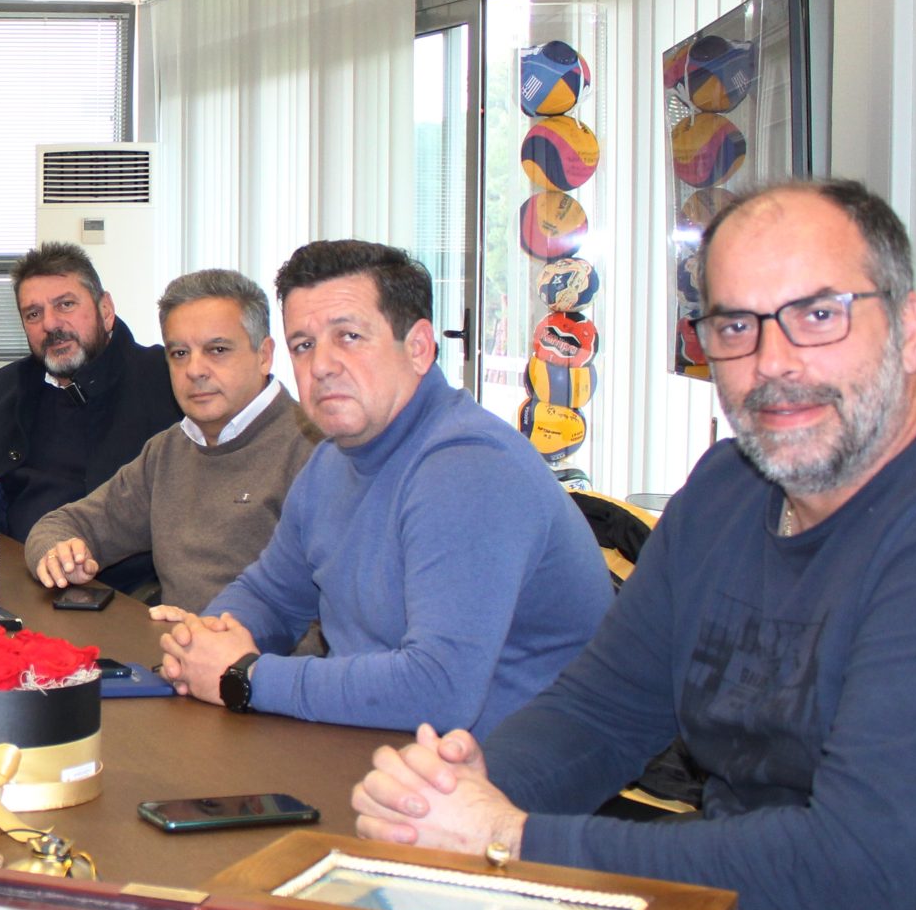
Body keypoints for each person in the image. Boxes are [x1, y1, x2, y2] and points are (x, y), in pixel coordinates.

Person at [353, 181, 916, 910]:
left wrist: (512, 838)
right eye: (735, 325)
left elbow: (855, 874)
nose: (772, 362)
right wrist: (466, 789)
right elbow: (602, 710)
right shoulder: (728, 485)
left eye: (818, 315)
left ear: (908, 329)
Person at [155, 239, 609, 736]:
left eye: (349, 336)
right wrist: (204, 640)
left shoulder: (469, 467)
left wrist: (246, 677)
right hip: (375, 747)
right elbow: (271, 596)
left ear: (418, 348)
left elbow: (439, 690)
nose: (321, 365)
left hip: (500, 768)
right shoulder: (332, 460)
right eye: (303, 345)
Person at [0, 243, 181, 591]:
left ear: (105, 309)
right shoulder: (4, 389)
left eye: (66, 305)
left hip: (116, 593)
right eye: (33, 314)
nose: (51, 324)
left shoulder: (165, 381)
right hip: (6, 580)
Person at [25, 269, 320, 608]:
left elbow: (336, 617)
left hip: (254, 643)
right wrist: (58, 554)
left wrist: (229, 637)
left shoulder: (315, 452)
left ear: (264, 355)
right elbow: (63, 525)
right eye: (180, 353)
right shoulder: (170, 449)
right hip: (167, 639)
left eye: (217, 349)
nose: (195, 370)